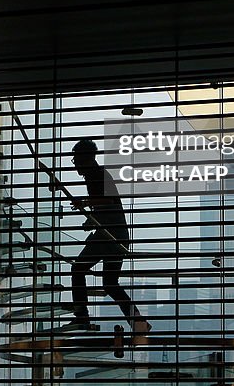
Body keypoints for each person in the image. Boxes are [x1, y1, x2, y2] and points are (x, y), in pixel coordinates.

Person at [59, 139, 151, 334]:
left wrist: (84, 202)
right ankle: (139, 323)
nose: (74, 163)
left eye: (75, 158)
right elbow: (108, 207)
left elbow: (107, 200)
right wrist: (91, 219)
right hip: (116, 235)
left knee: (78, 269)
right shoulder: (98, 174)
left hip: (109, 236)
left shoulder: (97, 175)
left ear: (85, 157)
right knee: (110, 283)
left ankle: (82, 315)